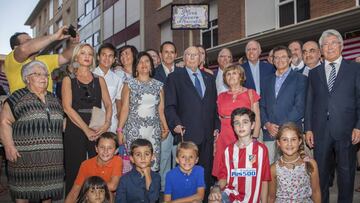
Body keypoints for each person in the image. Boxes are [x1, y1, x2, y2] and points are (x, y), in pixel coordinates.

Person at [304, 29, 360, 203]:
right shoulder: (314, 73)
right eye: (325, 44)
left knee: (346, 174)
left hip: (347, 130)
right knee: (320, 175)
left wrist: (359, 125)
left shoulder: (355, 68)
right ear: (321, 49)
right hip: (321, 131)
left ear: (341, 46)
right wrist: (308, 129)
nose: (329, 47)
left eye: (333, 43)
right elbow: (309, 103)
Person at [0, 60, 64, 202]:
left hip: (52, 160)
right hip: (24, 159)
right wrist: (9, 146)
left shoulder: (54, 98)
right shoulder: (17, 97)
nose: (44, 78)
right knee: (23, 193)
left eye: (46, 75)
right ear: (27, 78)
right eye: (38, 74)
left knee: (48, 193)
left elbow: (63, 122)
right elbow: (4, 122)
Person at [165, 46, 220, 199]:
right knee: (186, 176)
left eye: (195, 55)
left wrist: (216, 126)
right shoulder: (175, 77)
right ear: (183, 58)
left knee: (205, 175)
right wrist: (175, 123)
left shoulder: (209, 78)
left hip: (207, 136)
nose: (192, 57)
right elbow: (169, 105)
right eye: (188, 54)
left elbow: (213, 106)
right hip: (187, 134)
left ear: (200, 58)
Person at [62, 43, 112, 194]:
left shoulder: (99, 79)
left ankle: (97, 198)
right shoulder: (68, 79)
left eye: (90, 54)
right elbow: (67, 108)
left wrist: (106, 124)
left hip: (96, 127)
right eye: (83, 53)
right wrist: (85, 129)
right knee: (74, 168)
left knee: (99, 168)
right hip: (75, 126)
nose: (87, 56)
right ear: (76, 56)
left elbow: (109, 104)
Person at [117, 51, 168, 171]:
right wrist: (120, 130)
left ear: (151, 65)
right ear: (136, 66)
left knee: (151, 167)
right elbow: (124, 109)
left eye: (147, 61)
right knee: (135, 167)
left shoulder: (159, 85)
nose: (144, 64)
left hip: (153, 131)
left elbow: (161, 110)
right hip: (134, 131)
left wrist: (165, 127)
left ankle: (150, 189)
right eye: (140, 62)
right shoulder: (129, 84)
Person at [208, 108, 271, 203]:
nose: (241, 126)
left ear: (253, 125)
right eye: (237, 123)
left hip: (252, 199)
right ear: (233, 126)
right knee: (214, 199)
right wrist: (216, 188)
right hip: (231, 195)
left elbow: (264, 180)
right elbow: (223, 177)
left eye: (245, 122)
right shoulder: (228, 150)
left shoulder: (261, 150)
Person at [212, 64, 261, 178]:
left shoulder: (250, 93)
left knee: (243, 168)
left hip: (243, 135)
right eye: (228, 74)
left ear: (241, 76)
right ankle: (225, 192)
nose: (231, 76)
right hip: (223, 136)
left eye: (234, 73)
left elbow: (257, 117)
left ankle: (242, 194)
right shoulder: (220, 96)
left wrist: (254, 138)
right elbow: (217, 118)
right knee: (224, 169)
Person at [260, 45, 307, 164]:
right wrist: (267, 124)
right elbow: (262, 105)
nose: (279, 60)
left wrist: (282, 126)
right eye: (276, 57)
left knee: (291, 169)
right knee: (270, 169)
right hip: (269, 133)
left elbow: (300, 107)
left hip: (291, 132)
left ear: (290, 59)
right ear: (273, 60)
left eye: (283, 57)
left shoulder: (300, 79)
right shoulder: (266, 80)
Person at [4, 26, 77, 93]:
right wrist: (54, 36)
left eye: (33, 40)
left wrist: (74, 43)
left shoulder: (44, 59)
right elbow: (23, 49)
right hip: (24, 106)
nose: (34, 42)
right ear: (16, 48)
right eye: (28, 41)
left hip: (48, 106)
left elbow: (66, 57)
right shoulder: (11, 61)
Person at [268, 122, 321, 203]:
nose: (289, 143)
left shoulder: (311, 163)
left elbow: (316, 192)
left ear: (299, 141)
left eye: (293, 139)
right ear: (278, 143)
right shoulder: (273, 168)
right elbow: (271, 197)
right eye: (285, 139)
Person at [65, 132, 122, 203]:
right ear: (96, 149)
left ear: (116, 151)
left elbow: (113, 186)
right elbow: (75, 190)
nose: (105, 151)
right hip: (90, 198)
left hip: (108, 198)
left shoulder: (117, 160)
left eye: (110, 148)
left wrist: (90, 189)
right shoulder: (86, 164)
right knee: (87, 195)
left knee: (106, 193)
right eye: (102, 147)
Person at [153, 41, 179, 190]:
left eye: (172, 52)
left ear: (176, 55)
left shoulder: (182, 73)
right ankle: (163, 190)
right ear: (160, 54)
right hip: (161, 122)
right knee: (163, 158)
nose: (169, 55)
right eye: (166, 52)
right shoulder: (155, 73)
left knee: (180, 156)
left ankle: (177, 188)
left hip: (179, 122)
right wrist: (163, 124)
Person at [115, 138, 161, 203]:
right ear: (132, 159)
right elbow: (120, 201)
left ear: (152, 157)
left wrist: (147, 175)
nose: (143, 158)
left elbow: (153, 199)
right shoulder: (125, 179)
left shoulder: (156, 177)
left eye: (147, 154)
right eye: (138, 154)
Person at [93, 43, 123, 133]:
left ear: (114, 59)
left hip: (112, 124)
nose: (107, 58)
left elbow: (119, 104)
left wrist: (120, 127)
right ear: (98, 57)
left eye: (110, 56)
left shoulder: (118, 79)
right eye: (104, 55)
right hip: (92, 121)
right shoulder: (90, 75)